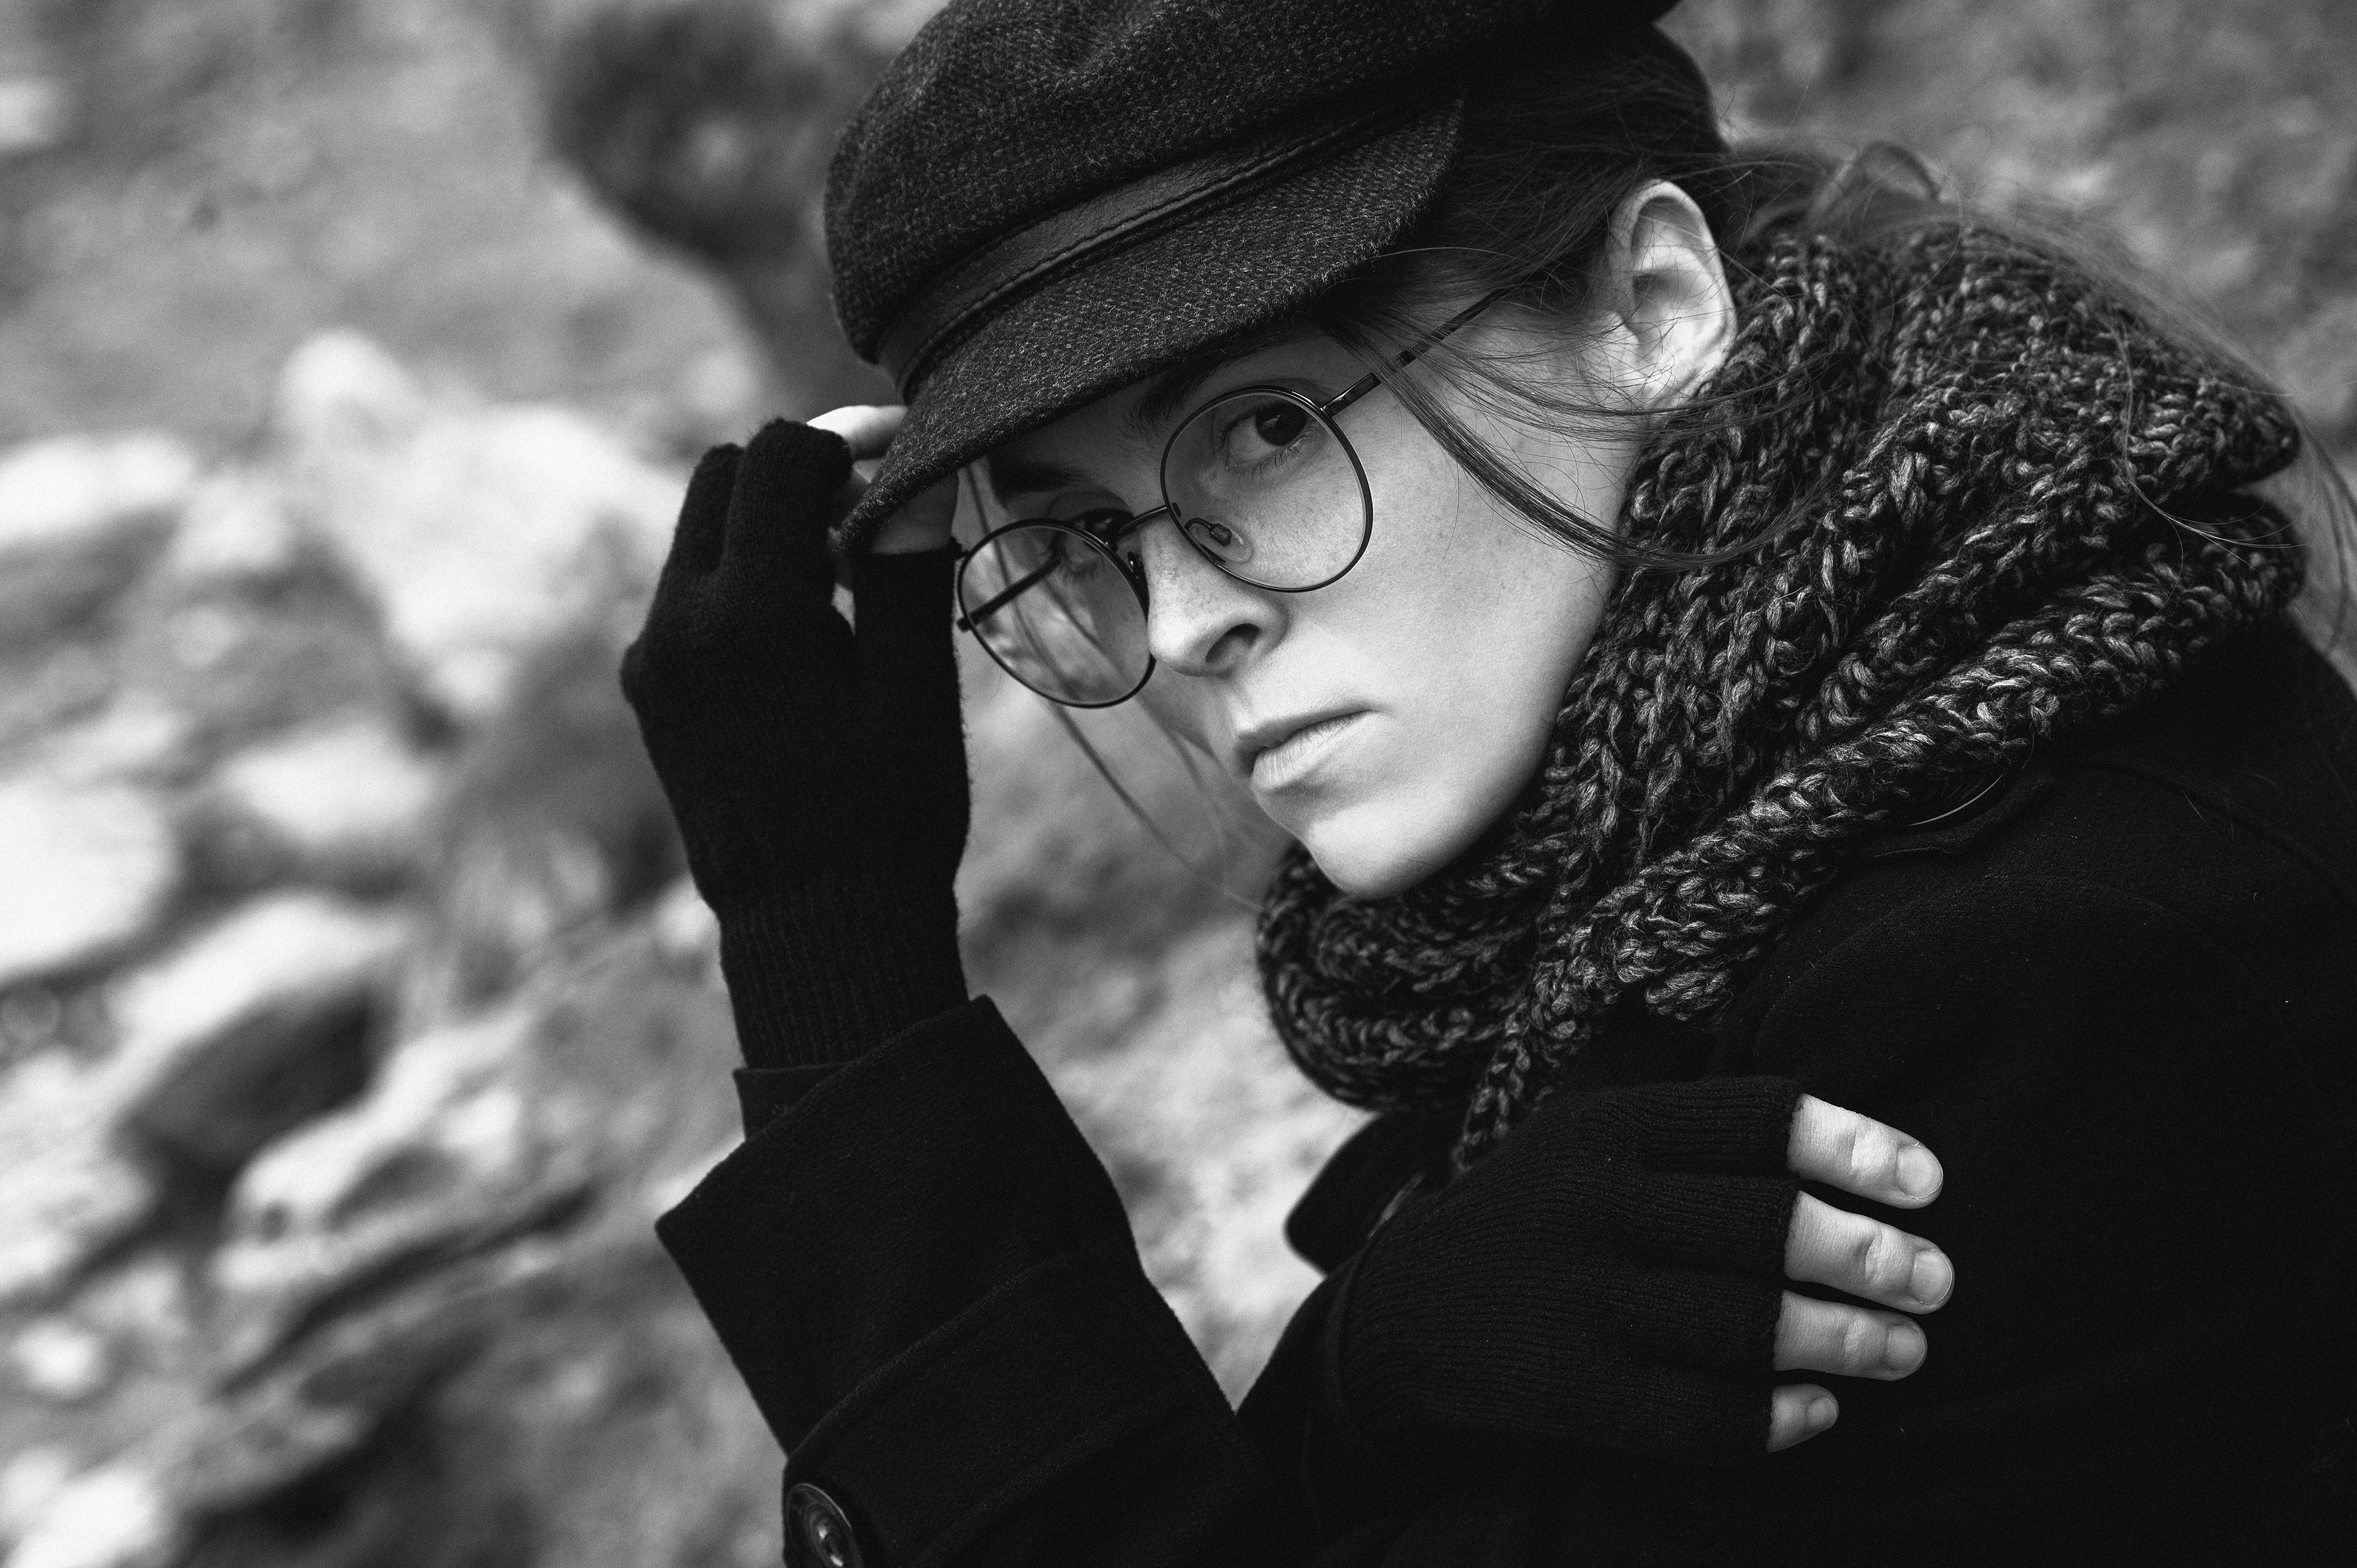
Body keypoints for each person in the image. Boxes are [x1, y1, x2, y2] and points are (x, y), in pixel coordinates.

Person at [618, 1, 2357, 1562]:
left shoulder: (2019, 997)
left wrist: (830, 951)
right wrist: (1375, 1363)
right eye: (1084, 533)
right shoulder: (1710, 850)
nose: (1189, 619)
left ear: (1650, 310)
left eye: (1267, 427)